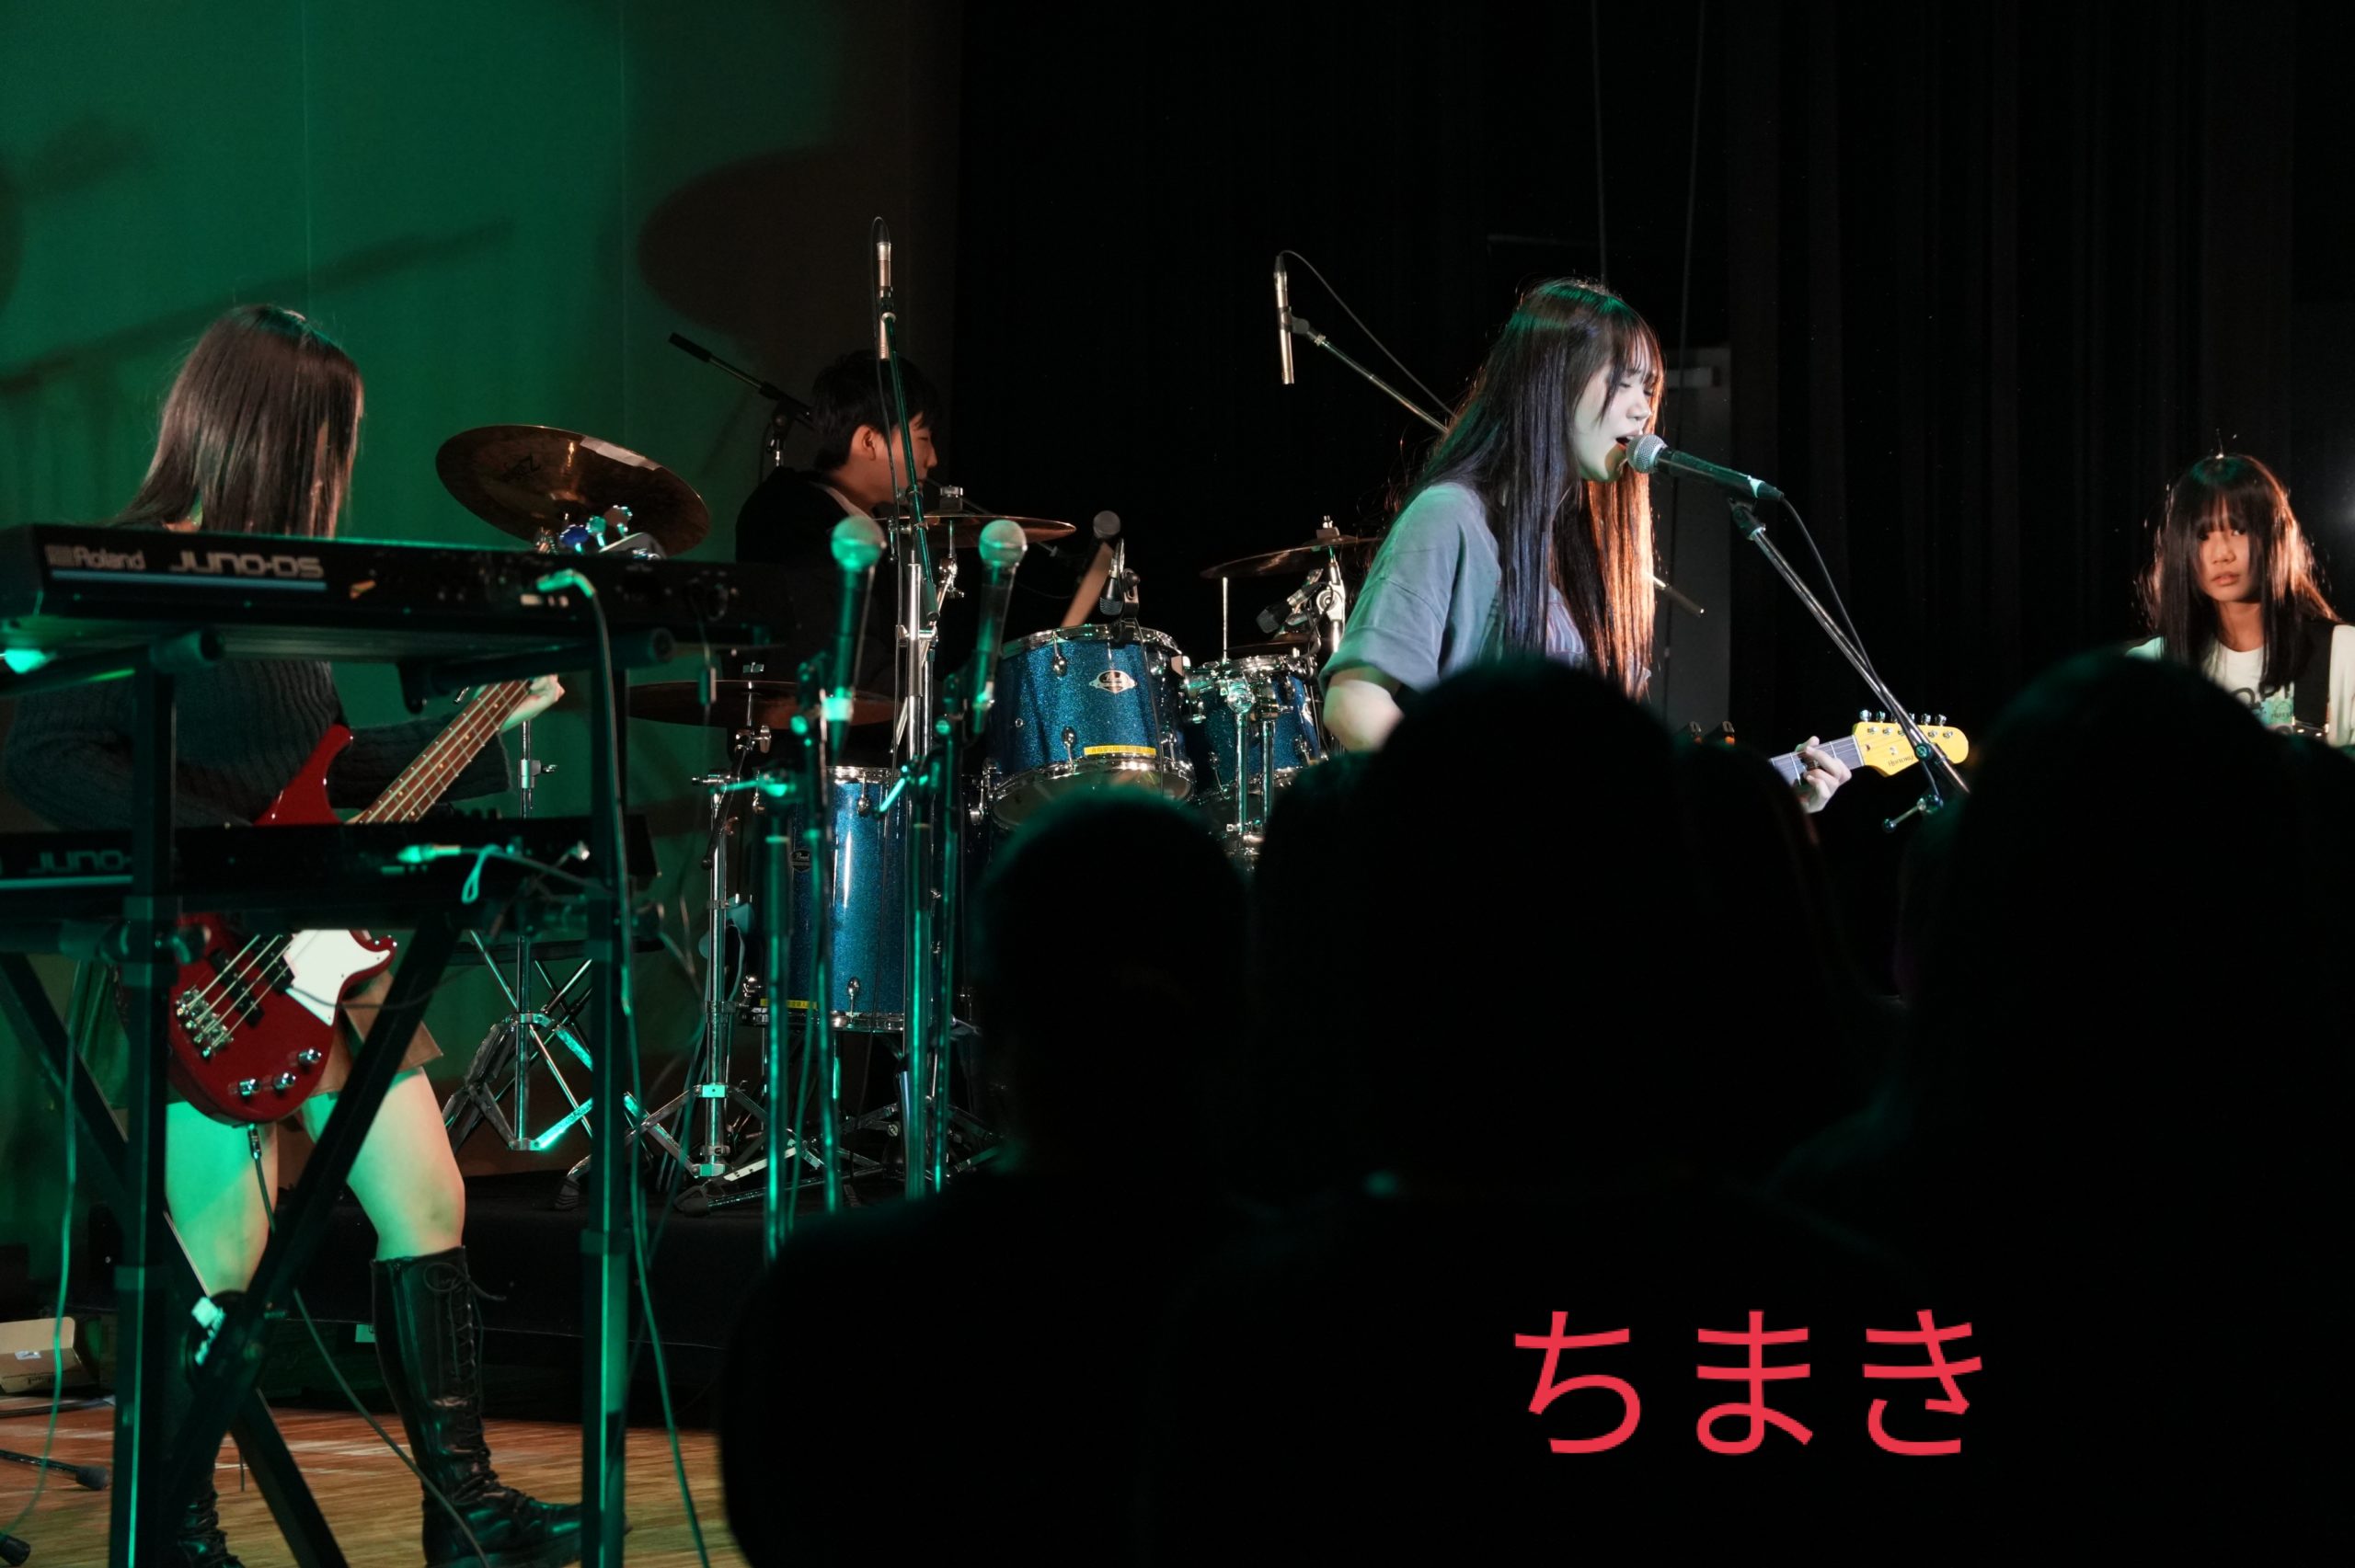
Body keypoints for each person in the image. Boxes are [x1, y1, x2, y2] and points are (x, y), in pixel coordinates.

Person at [0, 305, 578, 1568]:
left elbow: (323, 770)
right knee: (222, 1251)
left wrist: (478, 727)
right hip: (210, 962)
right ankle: (178, 1525)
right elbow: (41, 747)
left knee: (428, 1200)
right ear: (268, 435)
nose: (337, 471)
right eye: (329, 442)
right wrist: (226, 852)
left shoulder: (280, 583)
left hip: (321, 951)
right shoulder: (142, 569)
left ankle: (467, 1512)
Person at [1318, 277, 1851, 810]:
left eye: (1648, 389)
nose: (1643, 410)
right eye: (1624, 382)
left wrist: (1777, 799)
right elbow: (1354, 702)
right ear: (1553, 381)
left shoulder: (1587, 551)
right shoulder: (1451, 516)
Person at [733, 349, 941, 708]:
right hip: (816, 735)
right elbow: (845, 664)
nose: (933, 459)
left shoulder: (859, 521)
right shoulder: (789, 518)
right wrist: (955, 703)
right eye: (922, 440)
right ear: (868, 441)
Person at [2129, 452, 2354, 746]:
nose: (2222, 554)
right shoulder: (2149, 667)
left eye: (2239, 530)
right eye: (2202, 536)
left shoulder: (2344, 653)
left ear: (2276, 536)